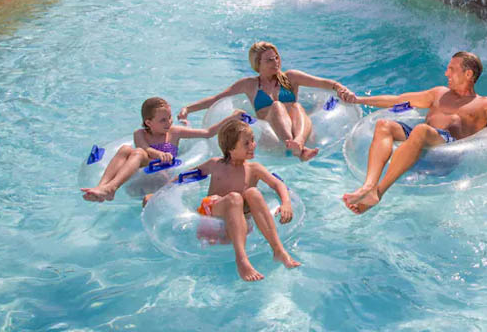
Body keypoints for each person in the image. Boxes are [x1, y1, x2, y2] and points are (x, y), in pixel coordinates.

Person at [341, 51, 487, 214]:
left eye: (452, 69)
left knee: (422, 130)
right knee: (383, 125)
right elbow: (399, 100)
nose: (446, 73)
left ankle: (378, 192)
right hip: (420, 140)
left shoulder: (484, 105)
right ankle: (368, 185)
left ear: (468, 74)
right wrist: (359, 100)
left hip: (446, 151)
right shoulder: (439, 94)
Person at [177, 41, 356, 161]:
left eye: (276, 57)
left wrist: (341, 89)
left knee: (296, 106)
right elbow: (216, 99)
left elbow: (325, 83)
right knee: (278, 105)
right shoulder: (250, 85)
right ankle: (295, 147)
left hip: (298, 132)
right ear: (258, 64)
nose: (275, 62)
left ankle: (298, 145)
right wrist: (188, 108)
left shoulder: (290, 77)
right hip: (271, 137)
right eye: (269, 60)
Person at [192, 118, 300, 281]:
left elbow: (278, 184)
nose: (253, 145)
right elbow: (184, 177)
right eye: (246, 143)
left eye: (253, 141)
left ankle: (278, 250)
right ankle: (241, 260)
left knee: (253, 193)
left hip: (239, 217)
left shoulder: (253, 168)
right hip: (214, 214)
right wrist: (158, 194)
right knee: (235, 198)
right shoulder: (216, 164)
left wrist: (286, 203)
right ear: (231, 149)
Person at [81, 97, 240, 202]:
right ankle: (103, 187)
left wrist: (231, 118)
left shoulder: (175, 132)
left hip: (162, 178)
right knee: (125, 149)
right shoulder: (140, 134)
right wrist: (160, 154)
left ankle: (111, 188)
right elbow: (145, 148)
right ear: (148, 122)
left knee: (137, 153)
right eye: (163, 120)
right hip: (140, 180)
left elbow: (208, 133)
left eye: (169, 117)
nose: (168, 122)